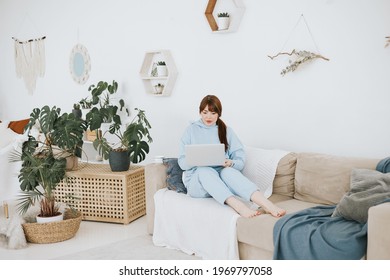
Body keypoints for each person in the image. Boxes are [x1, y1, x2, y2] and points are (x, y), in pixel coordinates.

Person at [178, 95, 286, 218]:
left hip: (220, 182)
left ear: (219, 114)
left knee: (228, 172)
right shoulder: (190, 131)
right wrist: (196, 160)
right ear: (200, 112)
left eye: (213, 113)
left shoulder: (226, 131)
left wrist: (230, 163)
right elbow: (182, 163)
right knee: (204, 170)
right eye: (205, 112)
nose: (209, 117)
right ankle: (239, 207)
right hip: (198, 184)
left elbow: (240, 161)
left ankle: (267, 205)